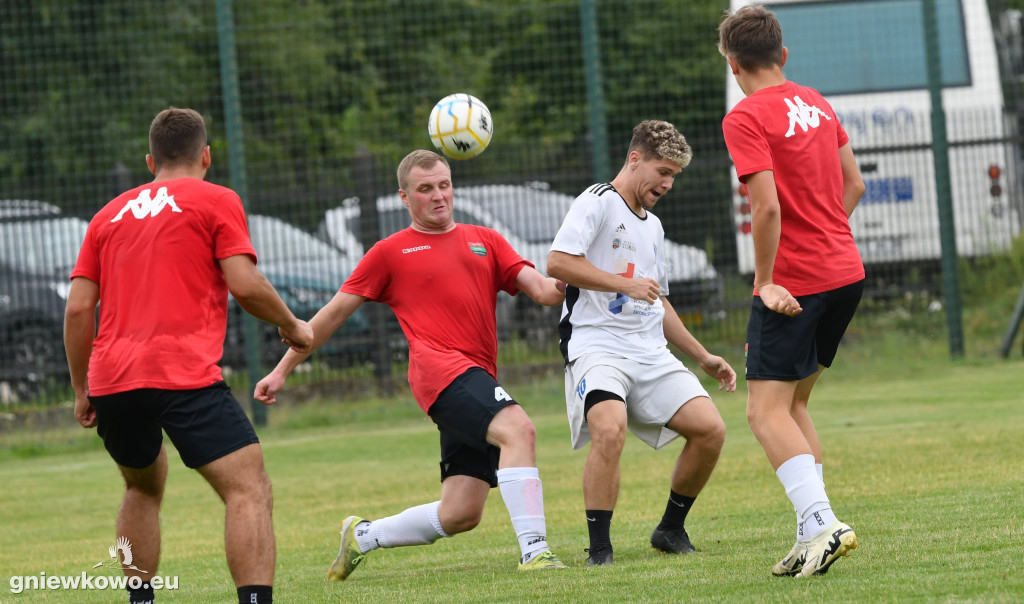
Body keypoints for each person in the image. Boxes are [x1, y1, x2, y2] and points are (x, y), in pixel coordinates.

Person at [254, 149, 568, 580]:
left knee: (461, 512)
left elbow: (546, 291)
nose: (438, 196)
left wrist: (573, 272)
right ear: (405, 197)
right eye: (425, 189)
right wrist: (281, 370)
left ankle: (363, 535)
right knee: (519, 429)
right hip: (440, 373)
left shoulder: (486, 240)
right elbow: (328, 317)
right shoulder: (389, 252)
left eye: (444, 185)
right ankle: (536, 552)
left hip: (476, 376)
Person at [64, 107, 314, 604]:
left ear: (149, 161)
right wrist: (291, 325)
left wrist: (80, 388)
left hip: (113, 379)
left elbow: (77, 309)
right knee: (248, 490)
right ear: (206, 155)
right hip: (182, 373)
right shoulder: (215, 199)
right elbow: (244, 285)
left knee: (141, 489)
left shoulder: (106, 215)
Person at [546, 120, 737, 566]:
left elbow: (659, 303)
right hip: (596, 347)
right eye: (662, 172)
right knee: (609, 429)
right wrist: (622, 285)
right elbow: (557, 262)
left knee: (710, 430)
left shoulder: (653, 227)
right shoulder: (595, 202)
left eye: (674, 176)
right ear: (635, 159)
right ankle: (600, 551)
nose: (667, 184)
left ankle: (670, 530)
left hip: (649, 352)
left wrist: (703, 356)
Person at [718, 5, 865, 578]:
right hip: (845, 272)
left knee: (763, 412)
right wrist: (830, 236)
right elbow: (853, 183)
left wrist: (765, 281)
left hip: (797, 283)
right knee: (796, 403)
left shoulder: (745, 116)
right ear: (783, 55)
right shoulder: (818, 101)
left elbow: (766, 206)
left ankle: (824, 523)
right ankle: (812, 533)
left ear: (734, 64)